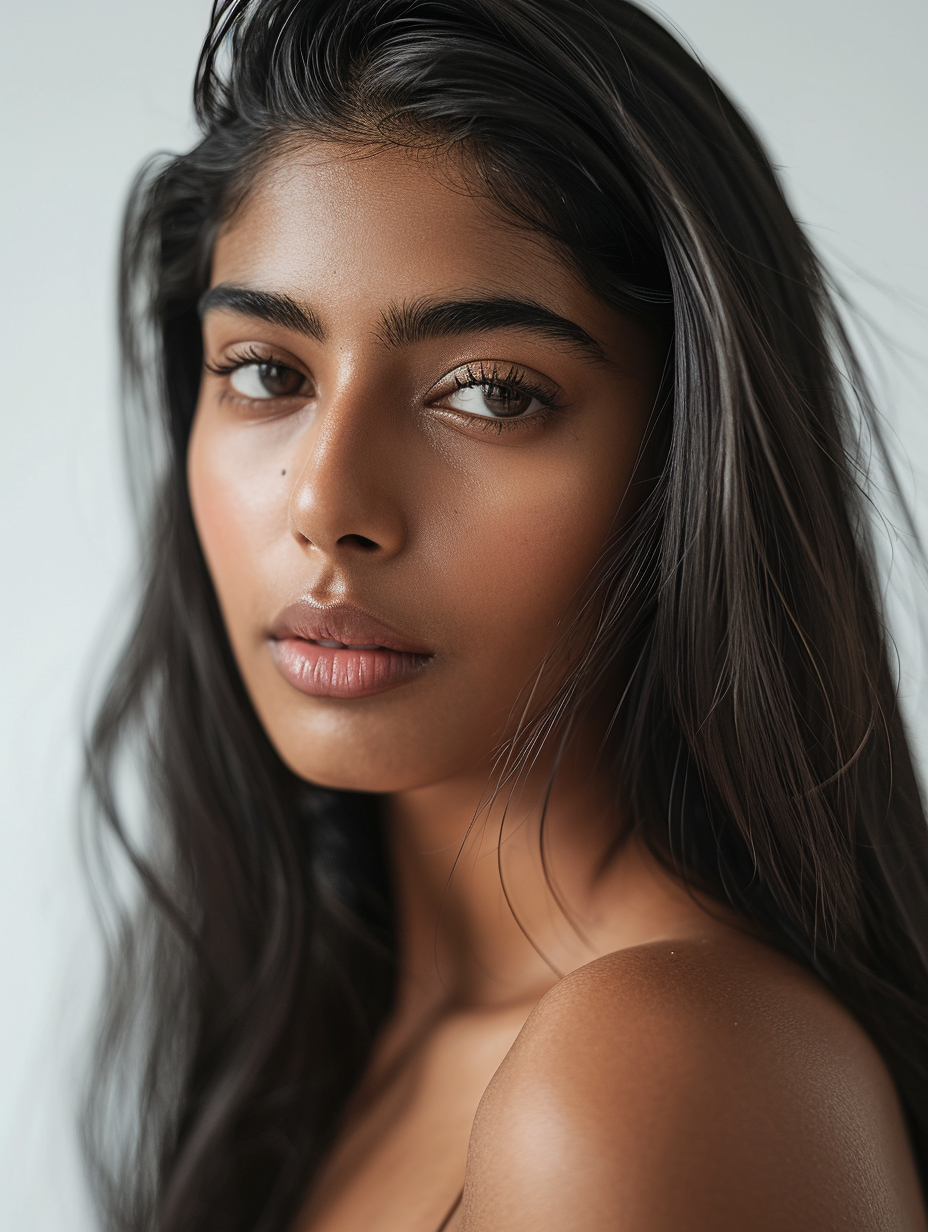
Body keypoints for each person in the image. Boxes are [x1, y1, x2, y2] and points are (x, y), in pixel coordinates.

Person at [81, 1, 928, 1229]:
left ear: (687, 460)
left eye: (488, 394)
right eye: (267, 370)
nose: (326, 505)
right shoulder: (327, 1027)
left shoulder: (644, 1075)